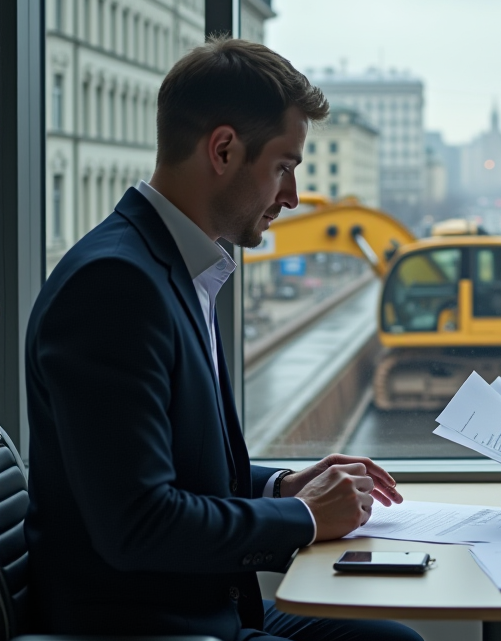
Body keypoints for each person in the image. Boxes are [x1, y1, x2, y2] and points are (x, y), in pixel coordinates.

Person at [24, 37, 422, 641]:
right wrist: (303, 518)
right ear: (225, 149)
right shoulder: (115, 288)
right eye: (285, 167)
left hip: (201, 611)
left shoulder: (167, 268)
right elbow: (138, 524)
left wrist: (281, 486)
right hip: (152, 628)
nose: (290, 197)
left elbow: (176, 466)